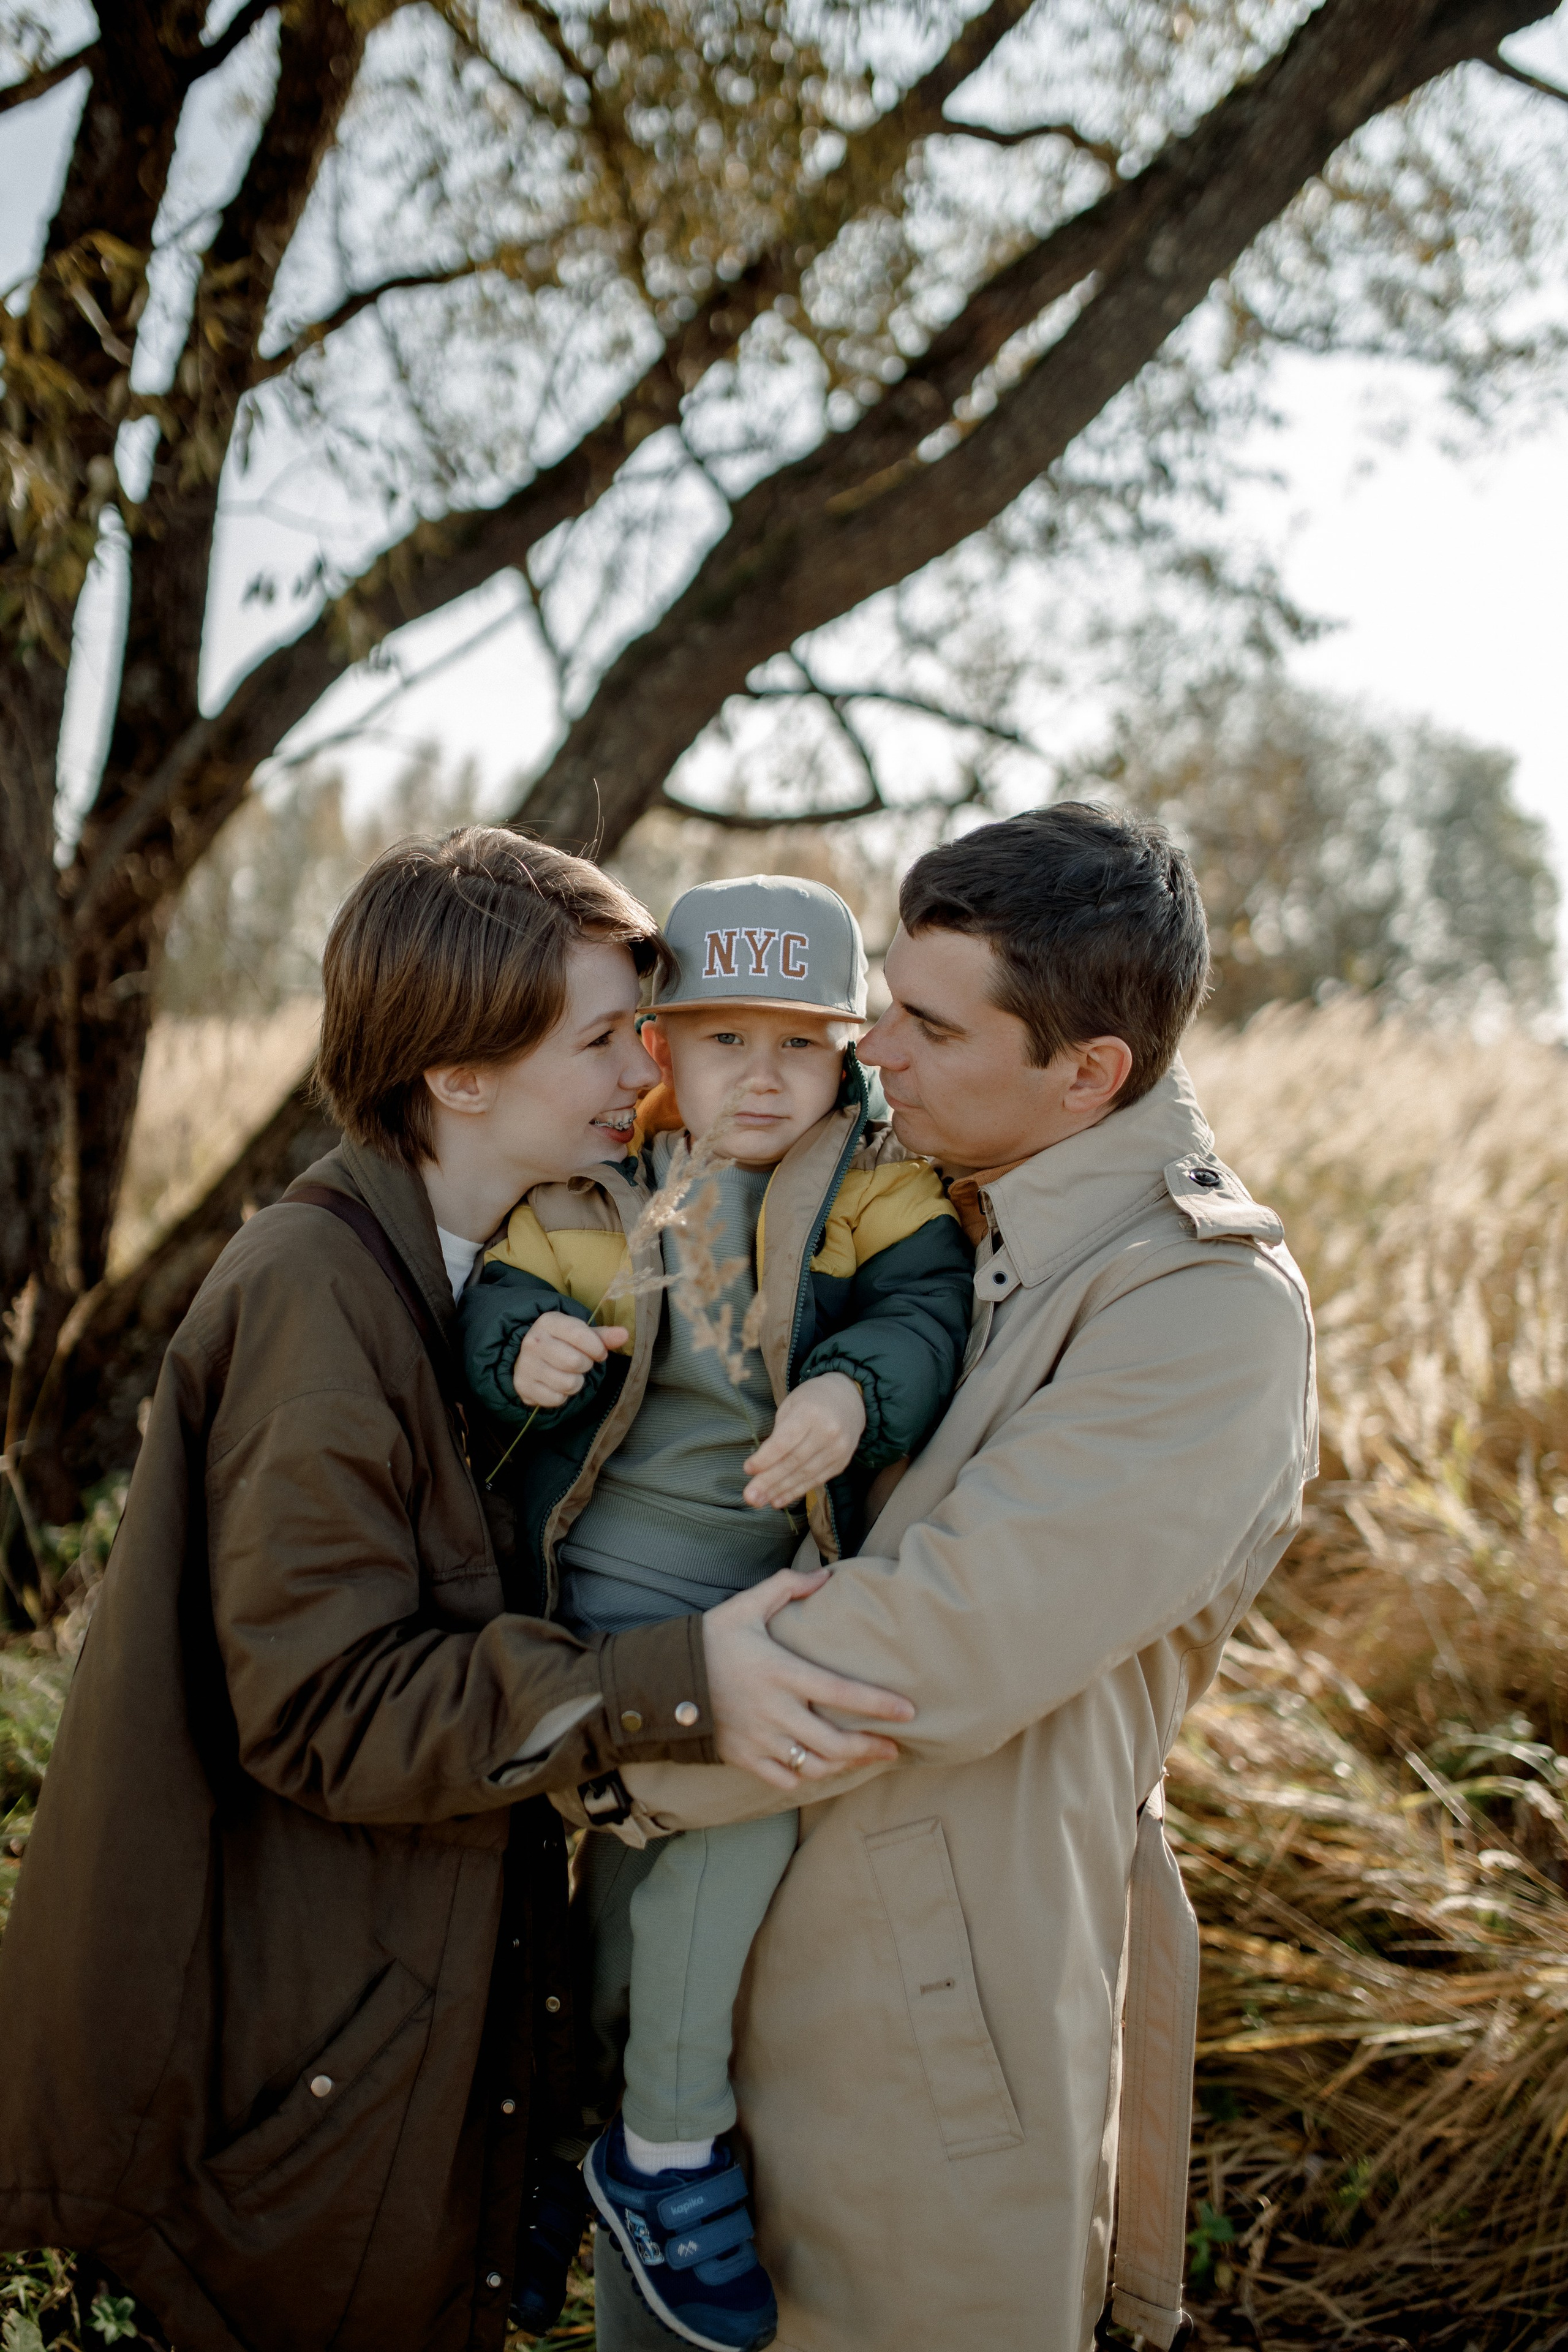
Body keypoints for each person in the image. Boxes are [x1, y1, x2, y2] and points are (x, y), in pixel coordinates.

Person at [0, 829, 913, 2352]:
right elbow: (328, 1707)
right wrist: (675, 1685)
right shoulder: (316, 1301)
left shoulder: (500, 1265)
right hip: (294, 2072)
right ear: (459, 1075)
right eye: (604, 1038)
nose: (648, 1064)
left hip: (386, 2030)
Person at [589, 804, 1318, 2352]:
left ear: (1087, 1073)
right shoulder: (911, 1191)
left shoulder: (1200, 1310)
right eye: (883, 1008)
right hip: (704, 2012)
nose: (873, 1054)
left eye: (927, 1026)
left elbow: (925, 1650)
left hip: (928, 2057)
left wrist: (578, 1724)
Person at [458, 876, 974, 2350]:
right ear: (660, 1050)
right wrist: (521, 1351)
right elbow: (493, 1307)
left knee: (679, 1854)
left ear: (846, 1055)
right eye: (723, 1040)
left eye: (799, 1045)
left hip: (760, 1590)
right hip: (599, 1589)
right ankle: (659, 2145)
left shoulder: (872, 1190)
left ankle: (597, 2141)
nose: (762, 1077)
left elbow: (924, 1316)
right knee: (692, 1832)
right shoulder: (592, 1194)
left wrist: (851, 1391)